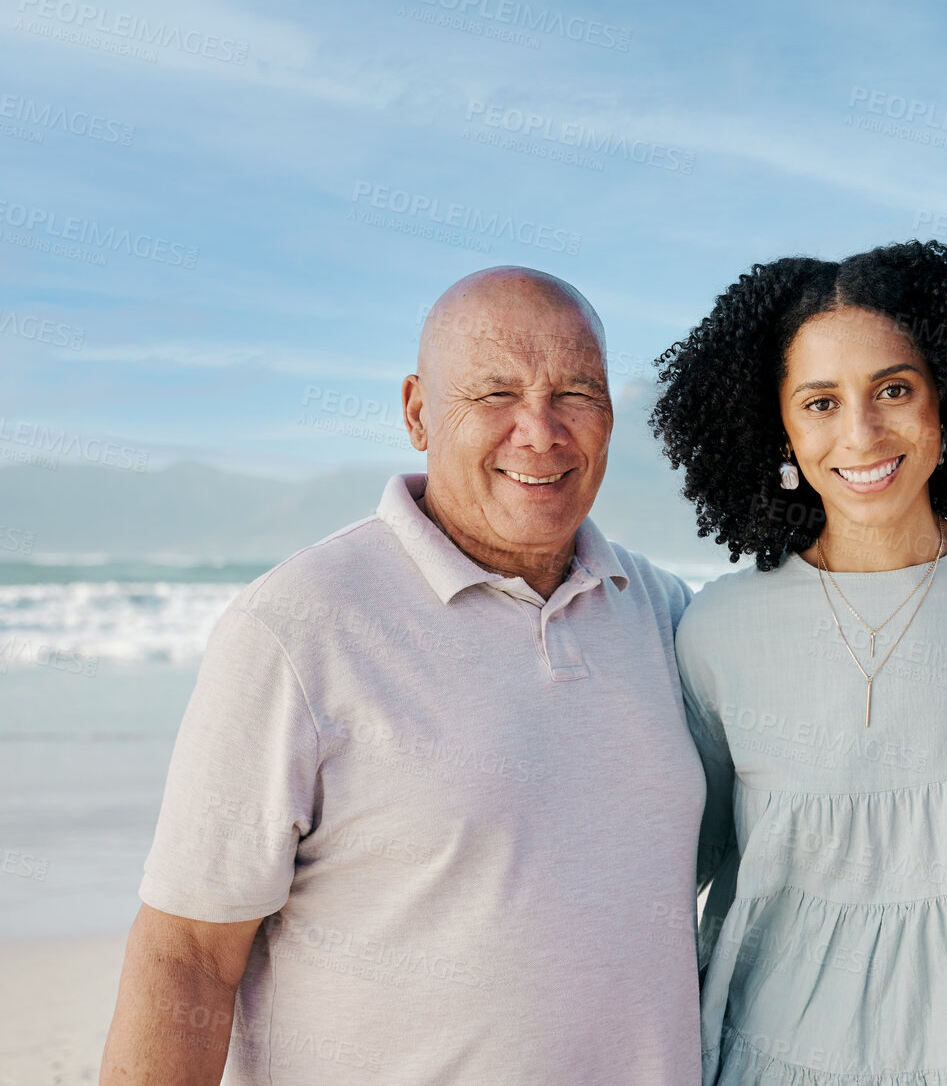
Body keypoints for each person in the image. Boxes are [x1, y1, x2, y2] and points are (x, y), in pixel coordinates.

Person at [100, 267, 707, 1084]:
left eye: (577, 392)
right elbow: (186, 954)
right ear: (418, 411)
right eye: (495, 393)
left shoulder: (661, 610)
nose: (541, 429)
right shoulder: (294, 626)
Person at [652, 241, 947, 1084]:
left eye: (894, 388)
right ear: (776, 422)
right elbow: (666, 876)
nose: (861, 432)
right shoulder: (716, 631)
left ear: (945, 397)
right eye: (820, 401)